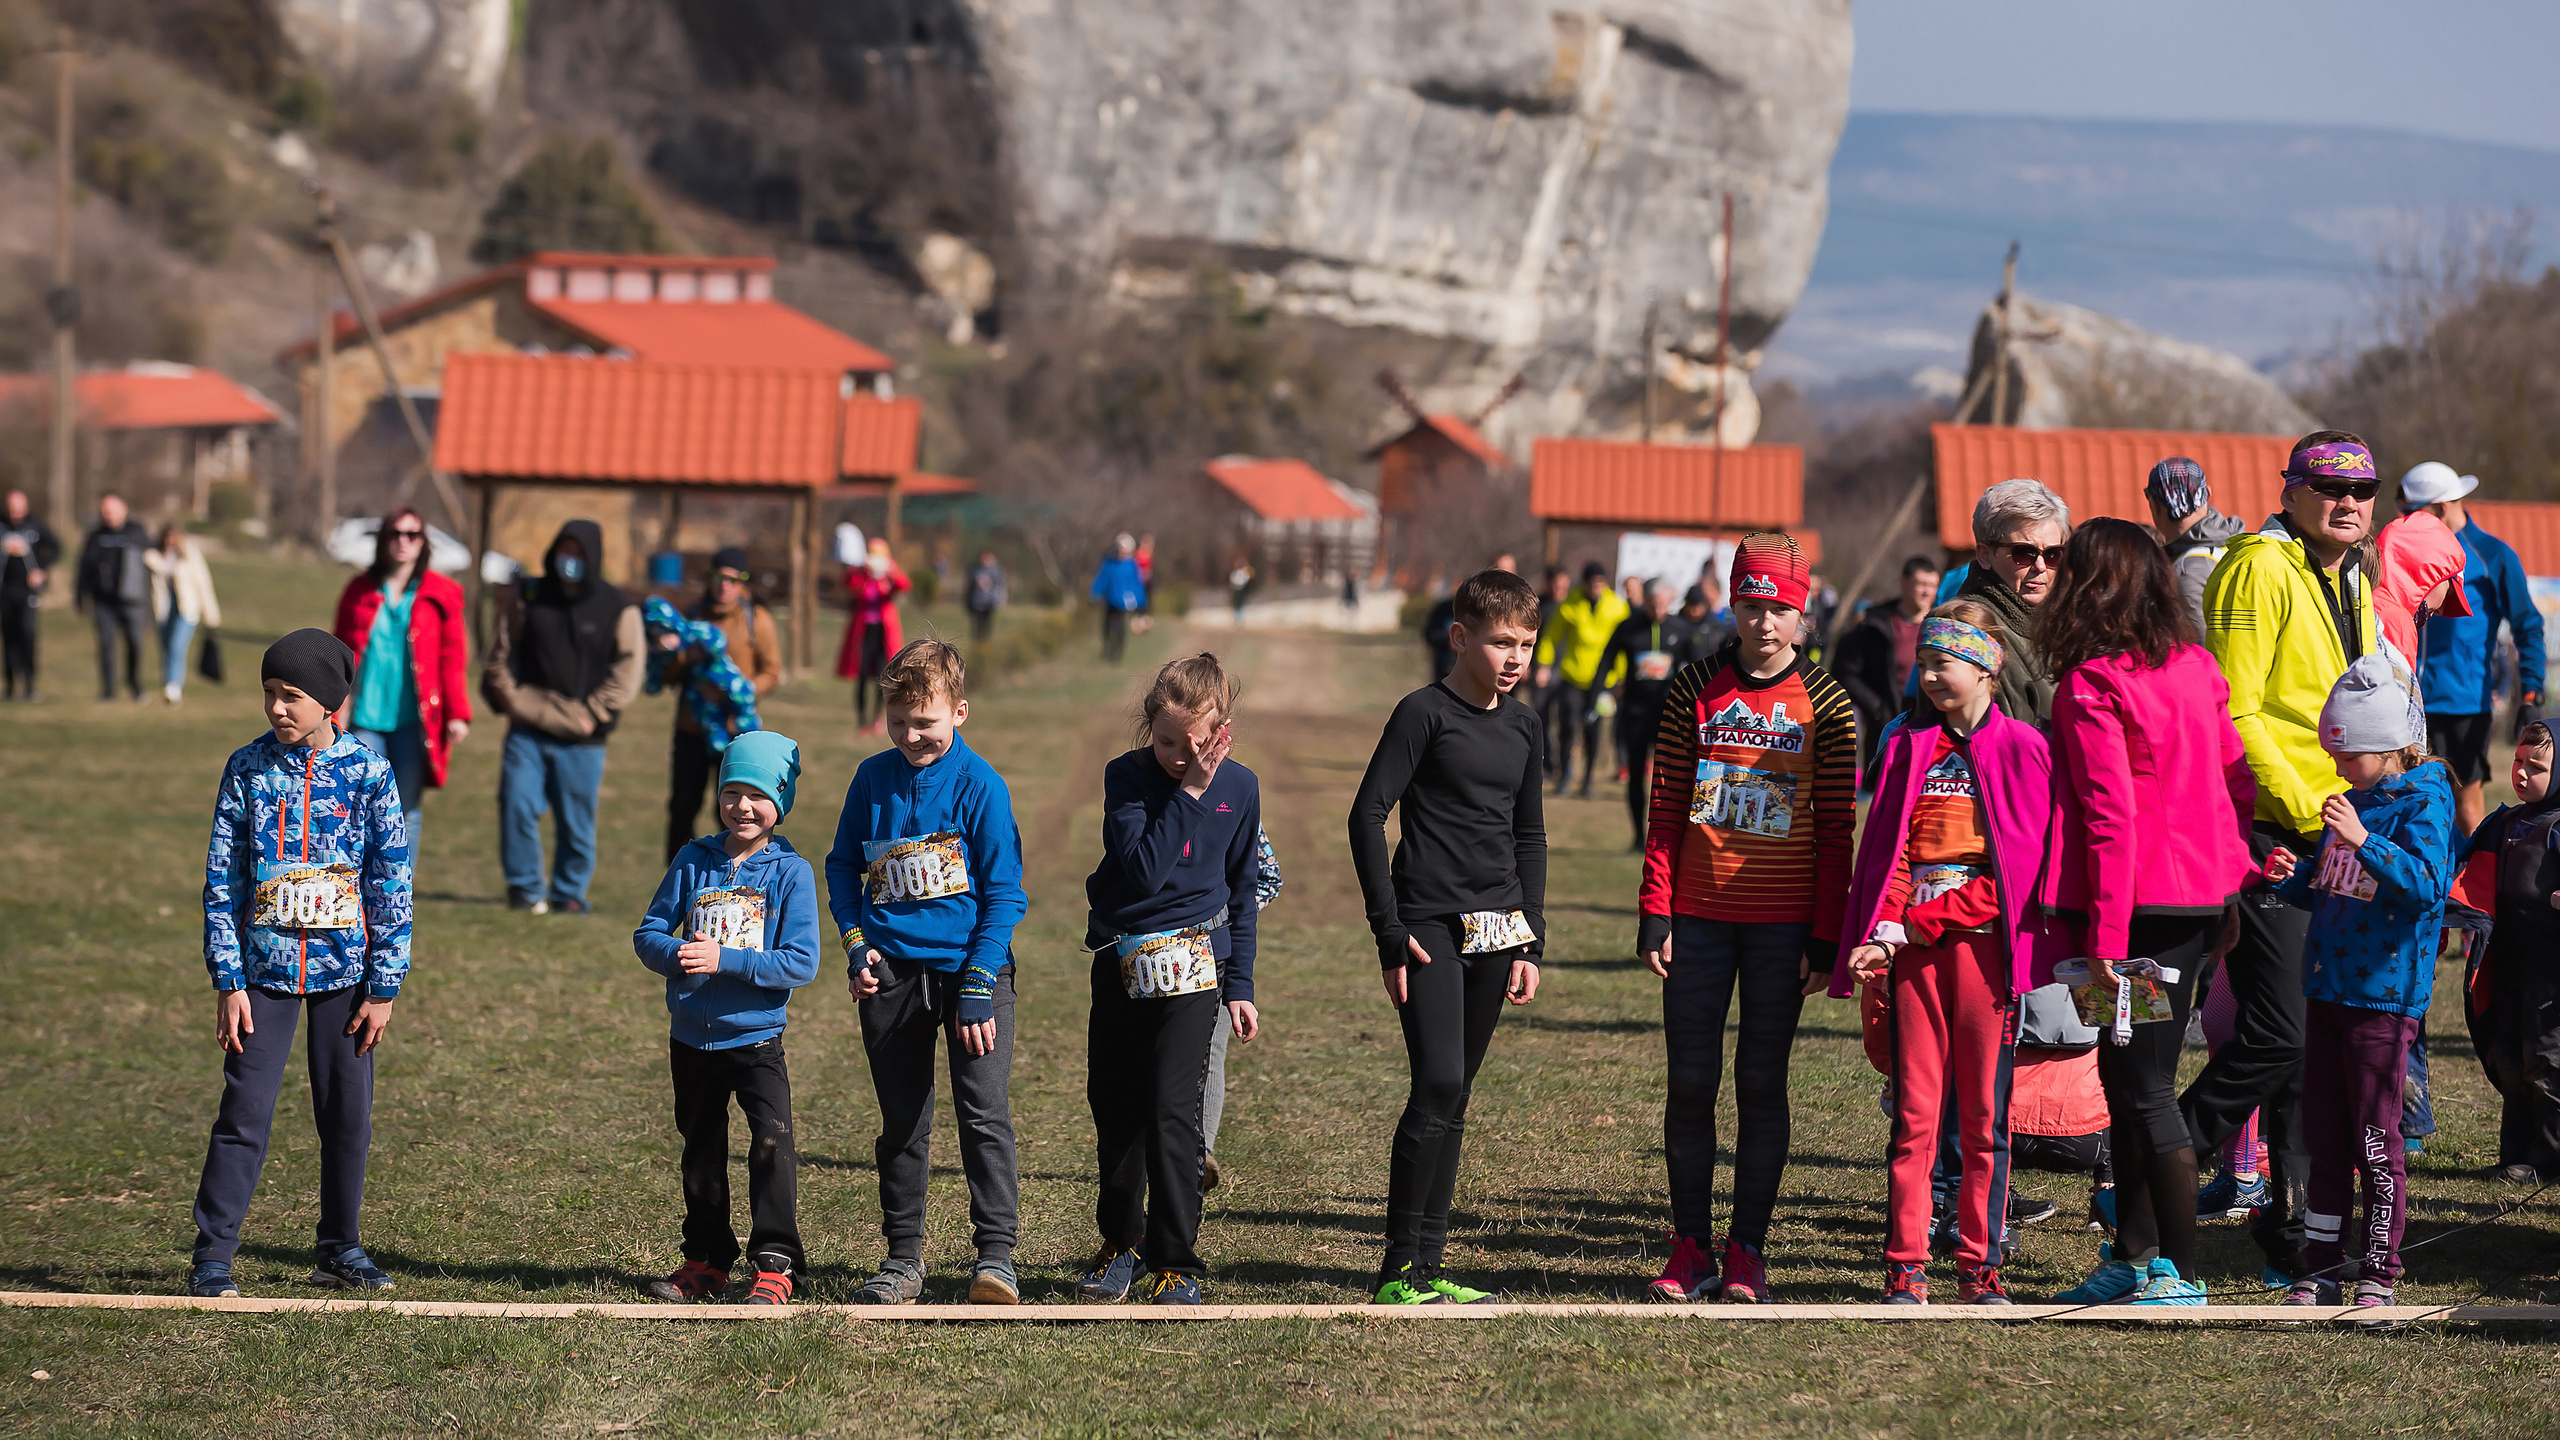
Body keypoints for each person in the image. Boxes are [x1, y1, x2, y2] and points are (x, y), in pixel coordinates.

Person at [2038, 518, 2262, 1308]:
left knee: (2144, 1087)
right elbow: (2237, 781)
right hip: (2192, 904)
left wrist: (2101, 941)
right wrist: (2233, 891)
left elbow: (2108, 818)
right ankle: (2129, 1255)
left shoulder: (2094, 685)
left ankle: (2178, 1270)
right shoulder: (2197, 667)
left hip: (2140, 915)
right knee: (2122, 1072)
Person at [2186, 428, 2383, 1289]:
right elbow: (2234, 710)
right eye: (2328, 487)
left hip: (2340, 825)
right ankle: (2150, 1157)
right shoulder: (2259, 565)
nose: (2348, 502)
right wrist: (2311, 811)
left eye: (2363, 490)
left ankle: (2293, 1227)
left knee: (2315, 1042)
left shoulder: (2349, 574)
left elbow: (2367, 696)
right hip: (2279, 829)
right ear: (2291, 491)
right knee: (2280, 1031)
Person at [1639, 533, 1858, 1304]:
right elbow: (1666, 806)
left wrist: (1826, 935)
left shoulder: (1828, 704)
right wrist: (1655, 909)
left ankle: (1747, 1252)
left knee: (1761, 1082)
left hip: (1782, 928)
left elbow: (1837, 830)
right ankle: (1690, 1245)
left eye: (1780, 608)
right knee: (1691, 1082)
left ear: (1802, 611)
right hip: (1697, 919)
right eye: (1751, 604)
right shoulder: (1693, 685)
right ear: (1731, 602)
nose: (1764, 622)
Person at [1842, 599, 2061, 1306]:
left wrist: (1923, 922)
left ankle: (1980, 1268)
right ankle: (1905, 1267)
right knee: (1914, 1117)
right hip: (1912, 958)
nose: (1930, 676)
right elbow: (1892, 851)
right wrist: (1882, 930)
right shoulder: (1907, 742)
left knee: (1984, 1124)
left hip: (1983, 959)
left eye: (1945, 663)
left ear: (1986, 666)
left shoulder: (2024, 748)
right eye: (1924, 664)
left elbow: (2020, 877)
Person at [186, 629, 410, 1299]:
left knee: (347, 1114)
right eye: (270, 694)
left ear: (331, 703)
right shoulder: (246, 769)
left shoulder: (370, 773)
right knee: (244, 1111)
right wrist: (228, 980)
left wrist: (384, 985)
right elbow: (222, 878)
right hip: (262, 978)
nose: (278, 708)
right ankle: (212, 1256)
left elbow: (391, 882)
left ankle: (340, 1246)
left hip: (346, 980)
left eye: (293, 696)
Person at [1349, 567, 1546, 1305]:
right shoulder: (1421, 714)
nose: (1515, 657)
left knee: (1456, 1093)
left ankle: (1429, 1267)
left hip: (1500, 929)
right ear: (1461, 638)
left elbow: (1530, 835)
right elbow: (1367, 816)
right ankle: (1397, 1268)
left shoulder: (1526, 724)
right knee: (1434, 1081)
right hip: (1428, 926)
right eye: (1501, 642)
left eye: (1526, 643)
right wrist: (1389, 930)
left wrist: (1531, 938)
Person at [828, 640, 1029, 1306]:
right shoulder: (870, 779)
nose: (913, 737)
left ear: (960, 712)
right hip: (891, 977)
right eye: (899, 722)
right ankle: (902, 1261)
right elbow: (840, 866)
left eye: (927, 724)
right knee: (903, 1122)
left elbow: (1005, 893)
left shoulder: (982, 787)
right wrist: (858, 947)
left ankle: (995, 1259)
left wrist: (978, 983)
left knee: (983, 1114)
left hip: (975, 976)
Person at [1076, 655, 1265, 1306]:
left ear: (1223, 731)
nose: (1182, 756)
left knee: (1173, 1112)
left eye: (1198, 744)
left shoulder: (1240, 789)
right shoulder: (1125, 780)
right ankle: (1120, 1242)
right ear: (1147, 731)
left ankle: (1175, 1259)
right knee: (1117, 1110)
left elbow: (1244, 890)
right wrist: (1188, 796)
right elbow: (1148, 870)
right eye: (1166, 743)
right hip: (1123, 959)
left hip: (1195, 967)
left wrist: (1239, 984)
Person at [2268, 655, 2455, 1309]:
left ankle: (2378, 1268)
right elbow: (2333, 885)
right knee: (2325, 1136)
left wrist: (2363, 840)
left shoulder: (2425, 800)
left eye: (2351, 758)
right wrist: (2292, 875)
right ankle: (2319, 1265)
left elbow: (2427, 888)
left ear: (2388, 746)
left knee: (2376, 1139)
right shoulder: (2355, 804)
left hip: (2383, 998)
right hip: (2328, 990)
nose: (2340, 770)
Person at [634, 730, 820, 1307]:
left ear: (781, 801)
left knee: (771, 1146)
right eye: (732, 792)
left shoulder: (791, 873)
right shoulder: (694, 859)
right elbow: (649, 934)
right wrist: (676, 954)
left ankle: (776, 1263)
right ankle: (707, 1261)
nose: (743, 806)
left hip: (757, 1040)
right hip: (691, 1039)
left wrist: (726, 959)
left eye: (759, 795)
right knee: (701, 1150)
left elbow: (801, 961)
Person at [481, 520, 643, 916]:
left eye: (578, 553)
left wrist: (595, 713)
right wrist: (513, 699)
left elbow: (629, 668)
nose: (569, 560)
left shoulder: (617, 608)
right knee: (517, 803)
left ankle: (569, 893)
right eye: (563, 551)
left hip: (582, 735)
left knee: (576, 821)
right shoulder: (530, 595)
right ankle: (524, 888)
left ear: (594, 557)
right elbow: (500, 653)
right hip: (528, 726)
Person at [2400, 461, 2548, 838]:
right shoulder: (2405, 550)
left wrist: (2531, 691)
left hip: (2464, 703)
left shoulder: (2493, 555)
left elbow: (2527, 625)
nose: (2405, 521)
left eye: (2412, 512)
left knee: (2465, 802)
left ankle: (2472, 891)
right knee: (2406, 800)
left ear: (2442, 506)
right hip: (2404, 699)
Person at [2457, 721, 2560, 1183]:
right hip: (2511, 966)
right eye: (2517, 762)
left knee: (2548, 1063)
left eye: (2535, 767)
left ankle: (2548, 1159)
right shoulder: (2503, 824)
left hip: (2551, 973)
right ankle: (2514, 1154)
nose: (2520, 773)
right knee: (2511, 1058)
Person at [333, 508, 471, 853]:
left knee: (405, 811)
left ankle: (398, 899)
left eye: (412, 535)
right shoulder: (359, 590)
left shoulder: (442, 593)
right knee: (359, 808)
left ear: (424, 543)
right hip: (364, 720)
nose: (403, 542)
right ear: (383, 540)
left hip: (415, 723)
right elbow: (336, 651)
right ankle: (358, 895)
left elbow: (452, 658)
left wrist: (457, 713)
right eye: (395, 534)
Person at [653, 548, 781, 861]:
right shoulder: (693, 616)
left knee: (729, 808)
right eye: (718, 578)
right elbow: (668, 672)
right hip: (691, 729)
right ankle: (677, 875)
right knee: (683, 805)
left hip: (734, 733)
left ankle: (729, 872)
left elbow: (772, 671)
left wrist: (740, 692)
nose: (724, 585)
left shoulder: (756, 620)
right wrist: (685, 658)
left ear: (742, 584)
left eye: (732, 580)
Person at [1908, 479, 2068, 727]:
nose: (2040, 567)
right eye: (2023, 553)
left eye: (2052, 554)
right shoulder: (1961, 630)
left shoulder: (2066, 623)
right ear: (1984, 555)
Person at [1597, 578, 1722, 849]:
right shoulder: (1629, 628)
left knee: (1673, 775)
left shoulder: (1680, 629)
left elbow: (1699, 668)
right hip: (1635, 713)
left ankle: (1673, 835)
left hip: (1668, 714)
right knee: (1635, 776)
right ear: (1647, 601)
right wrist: (1600, 692)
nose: (1659, 610)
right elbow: (1606, 659)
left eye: (1664, 605)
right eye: (1654, 605)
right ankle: (1637, 836)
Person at [1834, 556, 1939, 777]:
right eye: (1921, 584)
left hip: (1929, 720)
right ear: (1904, 582)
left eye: (1932, 586)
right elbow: (1846, 671)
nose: (1926, 592)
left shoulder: (1941, 626)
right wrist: (1877, 708)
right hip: (1886, 723)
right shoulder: (1875, 625)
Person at [1532, 561, 1629, 797]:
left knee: (1593, 729)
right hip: (1573, 676)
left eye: (1600, 584)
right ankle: (1565, 774)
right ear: (1585, 583)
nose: (1596, 588)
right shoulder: (1569, 605)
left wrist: (1622, 678)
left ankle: (1587, 780)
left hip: (1602, 680)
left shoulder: (1617, 607)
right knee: (1568, 726)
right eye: (1592, 583)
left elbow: (1624, 646)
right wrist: (1543, 664)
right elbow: (1550, 637)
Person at [2146, 456, 2246, 637]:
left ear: (2154, 505)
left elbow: (2203, 655)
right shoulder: (2241, 545)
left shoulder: (2187, 571)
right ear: (2207, 493)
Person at [76, 493, 153, 703]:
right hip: (103, 600)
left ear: (123, 509)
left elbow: (151, 561)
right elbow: (83, 567)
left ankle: (134, 683)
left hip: (131, 599)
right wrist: (80, 596)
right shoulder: (95, 535)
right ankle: (108, 690)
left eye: (111, 510)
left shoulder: (136, 532)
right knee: (106, 645)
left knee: (135, 643)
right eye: (104, 511)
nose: (107, 515)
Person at [837, 537, 911, 734]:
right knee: (861, 676)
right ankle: (861, 721)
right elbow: (848, 584)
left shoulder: (888, 577)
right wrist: (860, 569)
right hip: (863, 632)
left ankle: (876, 719)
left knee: (882, 676)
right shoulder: (863, 576)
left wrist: (891, 571)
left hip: (883, 633)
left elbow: (904, 585)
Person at [144, 524, 220, 706]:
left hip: (187, 608)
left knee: (177, 645)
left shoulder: (190, 556)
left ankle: (174, 687)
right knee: (165, 647)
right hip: (163, 608)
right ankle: (168, 683)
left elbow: (203, 583)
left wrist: (210, 614)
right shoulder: (155, 557)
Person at [3, 488, 60, 700]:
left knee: (28, 635)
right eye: (11, 510)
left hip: (28, 592)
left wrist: (40, 570)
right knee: (8, 638)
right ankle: (9, 686)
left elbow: (56, 547)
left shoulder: (35, 524)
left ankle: (29, 685)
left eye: (19, 510)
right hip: (6, 591)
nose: (15, 514)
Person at [1092, 533, 1148, 665]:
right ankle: (1108, 648)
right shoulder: (1109, 563)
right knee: (1107, 626)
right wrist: (1095, 593)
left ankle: (1117, 652)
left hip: (1123, 603)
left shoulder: (1131, 565)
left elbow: (1137, 584)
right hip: (1110, 600)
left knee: (1119, 627)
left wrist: (1140, 601)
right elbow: (1102, 579)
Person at [966, 551, 1009, 644]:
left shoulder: (996, 571)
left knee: (987, 624)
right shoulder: (975, 569)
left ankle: (985, 642)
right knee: (977, 624)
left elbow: (1000, 586)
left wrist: (999, 601)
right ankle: (977, 642)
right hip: (976, 602)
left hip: (989, 602)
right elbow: (969, 586)